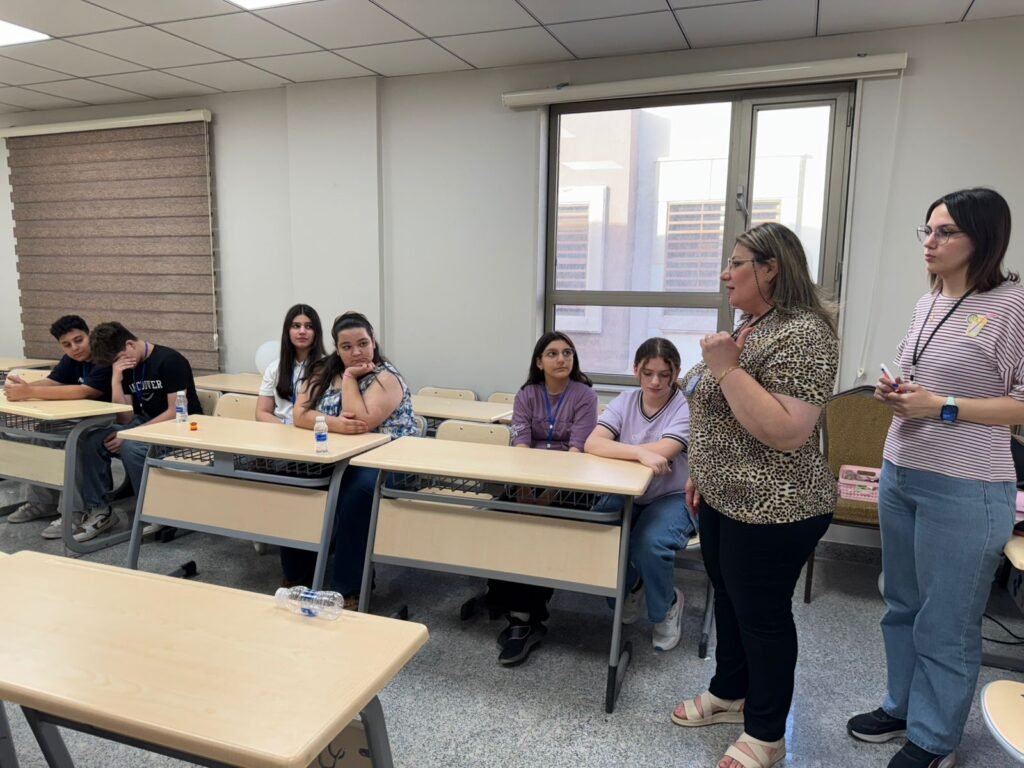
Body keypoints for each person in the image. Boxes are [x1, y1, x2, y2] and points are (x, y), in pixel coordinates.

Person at [847, 188, 1023, 768]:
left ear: (984, 237)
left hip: (967, 485)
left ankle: (933, 737)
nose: (930, 240)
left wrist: (943, 406)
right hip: (902, 470)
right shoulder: (928, 302)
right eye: (926, 229)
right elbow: (924, 381)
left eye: (945, 231)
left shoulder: (1012, 305)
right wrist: (896, 392)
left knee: (945, 620)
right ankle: (901, 706)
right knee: (900, 602)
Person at [674, 222, 838, 768]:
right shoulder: (753, 323)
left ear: (770, 269)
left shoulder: (804, 334)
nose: (726, 274)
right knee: (728, 599)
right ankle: (729, 693)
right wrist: (701, 470)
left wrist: (726, 368)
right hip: (726, 495)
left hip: (777, 506)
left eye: (737, 263)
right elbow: (721, 414)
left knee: (762, 616)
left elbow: (788, 431)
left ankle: (767, 733)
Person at [285, 312, 417, 605]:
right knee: (294, 480)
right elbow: (299, 414)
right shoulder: (321, 370)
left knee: (356, 493)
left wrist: (348, 377)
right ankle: (298, 575)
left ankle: (350, 587)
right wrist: (336, 424)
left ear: (373, 342)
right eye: (347, 347)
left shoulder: (386, 377)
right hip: (338, 457)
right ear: (337, 348)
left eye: (362, 344)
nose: (356, 352)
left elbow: (361, 421)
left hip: (390, 460)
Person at [487, 331, 598, 666]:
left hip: (570, 485)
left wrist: (547, 495)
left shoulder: (585, 395)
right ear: (539, 362)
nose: (561, 359)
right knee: (498, 518)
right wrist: (524, 489)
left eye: (567, 353)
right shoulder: (527, 394)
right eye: (552, 353)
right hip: (527, 477)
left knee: (538, 533)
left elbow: (578, 449)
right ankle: (503, 596)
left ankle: (524, 617)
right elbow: (520, 441)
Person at [584, 337, 693, 653]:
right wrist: (640, 453)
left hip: (671, 494)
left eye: (664, 374)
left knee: (649, 544)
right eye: (648, 373)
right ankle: (632, 586)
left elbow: (666, 450)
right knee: (599, 530)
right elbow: (593, 443)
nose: (655, 381)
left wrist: (621, 449)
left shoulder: (684, 406)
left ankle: (667, 606)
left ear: (676, 373)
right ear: (636, 370)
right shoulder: (626, 400)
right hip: (628, 490)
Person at [77, 322, 201, 543]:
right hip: (145, 424)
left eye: (118, 358)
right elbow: (124, 418)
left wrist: (130, 435)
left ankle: (155, 511)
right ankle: (100, 510)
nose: (118, 364)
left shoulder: (170, 361)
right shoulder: (126, 366)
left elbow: (175, 412)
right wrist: (116, 380)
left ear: (130, 344)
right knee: (92, 439)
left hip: (182, 427)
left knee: (131, 447)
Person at [3, 315, 112, 532]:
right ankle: (43, 501)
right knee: (43, 431)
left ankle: (74, 512)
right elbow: (52, 382)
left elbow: (86, 391)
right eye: (66, 345)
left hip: (111, 418)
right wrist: (20, 389)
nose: (74, 348)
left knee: (77, 442)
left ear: (89, 335)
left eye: (79, 340)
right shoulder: (71, 360)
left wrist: (29, 391)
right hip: (80, 418)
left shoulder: (105, 357)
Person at [256, 304, 326, 425]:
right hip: (280, 429)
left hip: (314, 429)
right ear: (287, 331)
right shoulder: (274, 368)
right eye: (296, 326)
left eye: (309, 326)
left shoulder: (327, 367)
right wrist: (285, 430)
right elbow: (262, 412)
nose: (302, 331)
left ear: (317, 332)